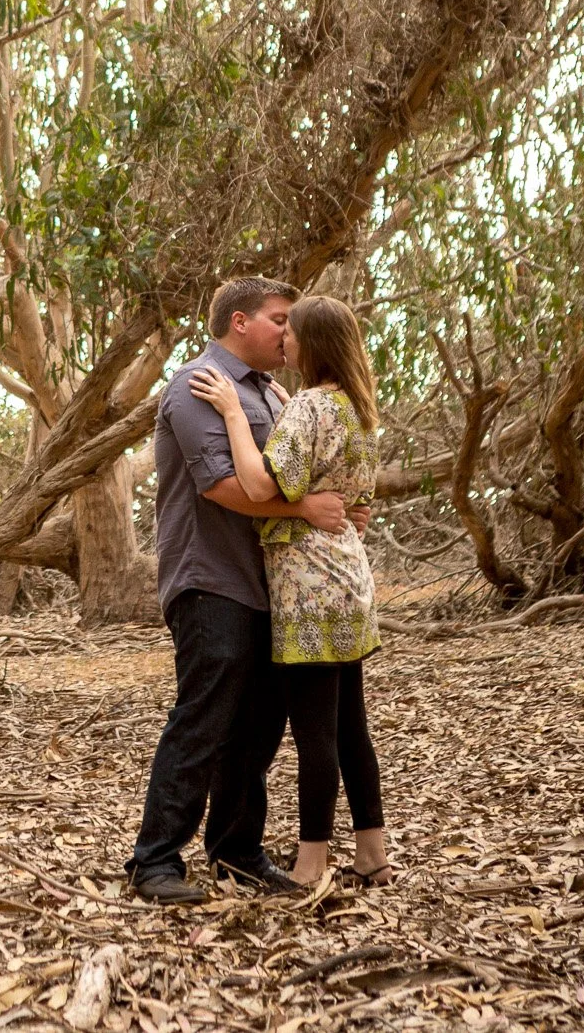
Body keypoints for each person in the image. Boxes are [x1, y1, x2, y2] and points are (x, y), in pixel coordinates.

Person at [124, 277, 358, 906]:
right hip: (211, 578)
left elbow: (300, 466)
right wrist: (308, 508)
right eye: (279, 319)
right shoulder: (198, 385)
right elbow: (222, 485)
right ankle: (155, 862)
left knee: (255, 726)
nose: (290, 330)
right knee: (204, 717)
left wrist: (340, 509)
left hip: (269, 587)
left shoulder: (274, 394)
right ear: (239, 322)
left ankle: (236, 852)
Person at [190, 293, 391, 889]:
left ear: (314, 343)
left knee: (315, 734)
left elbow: (257, 485)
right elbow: (361, 505)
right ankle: (371, 854)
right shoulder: (358, 409)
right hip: (350, 579)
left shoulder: (309, 407)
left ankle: (310, 866)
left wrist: (231, 411)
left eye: (292, 331)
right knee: (351, 724)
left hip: (307, 586)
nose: (285, 341)